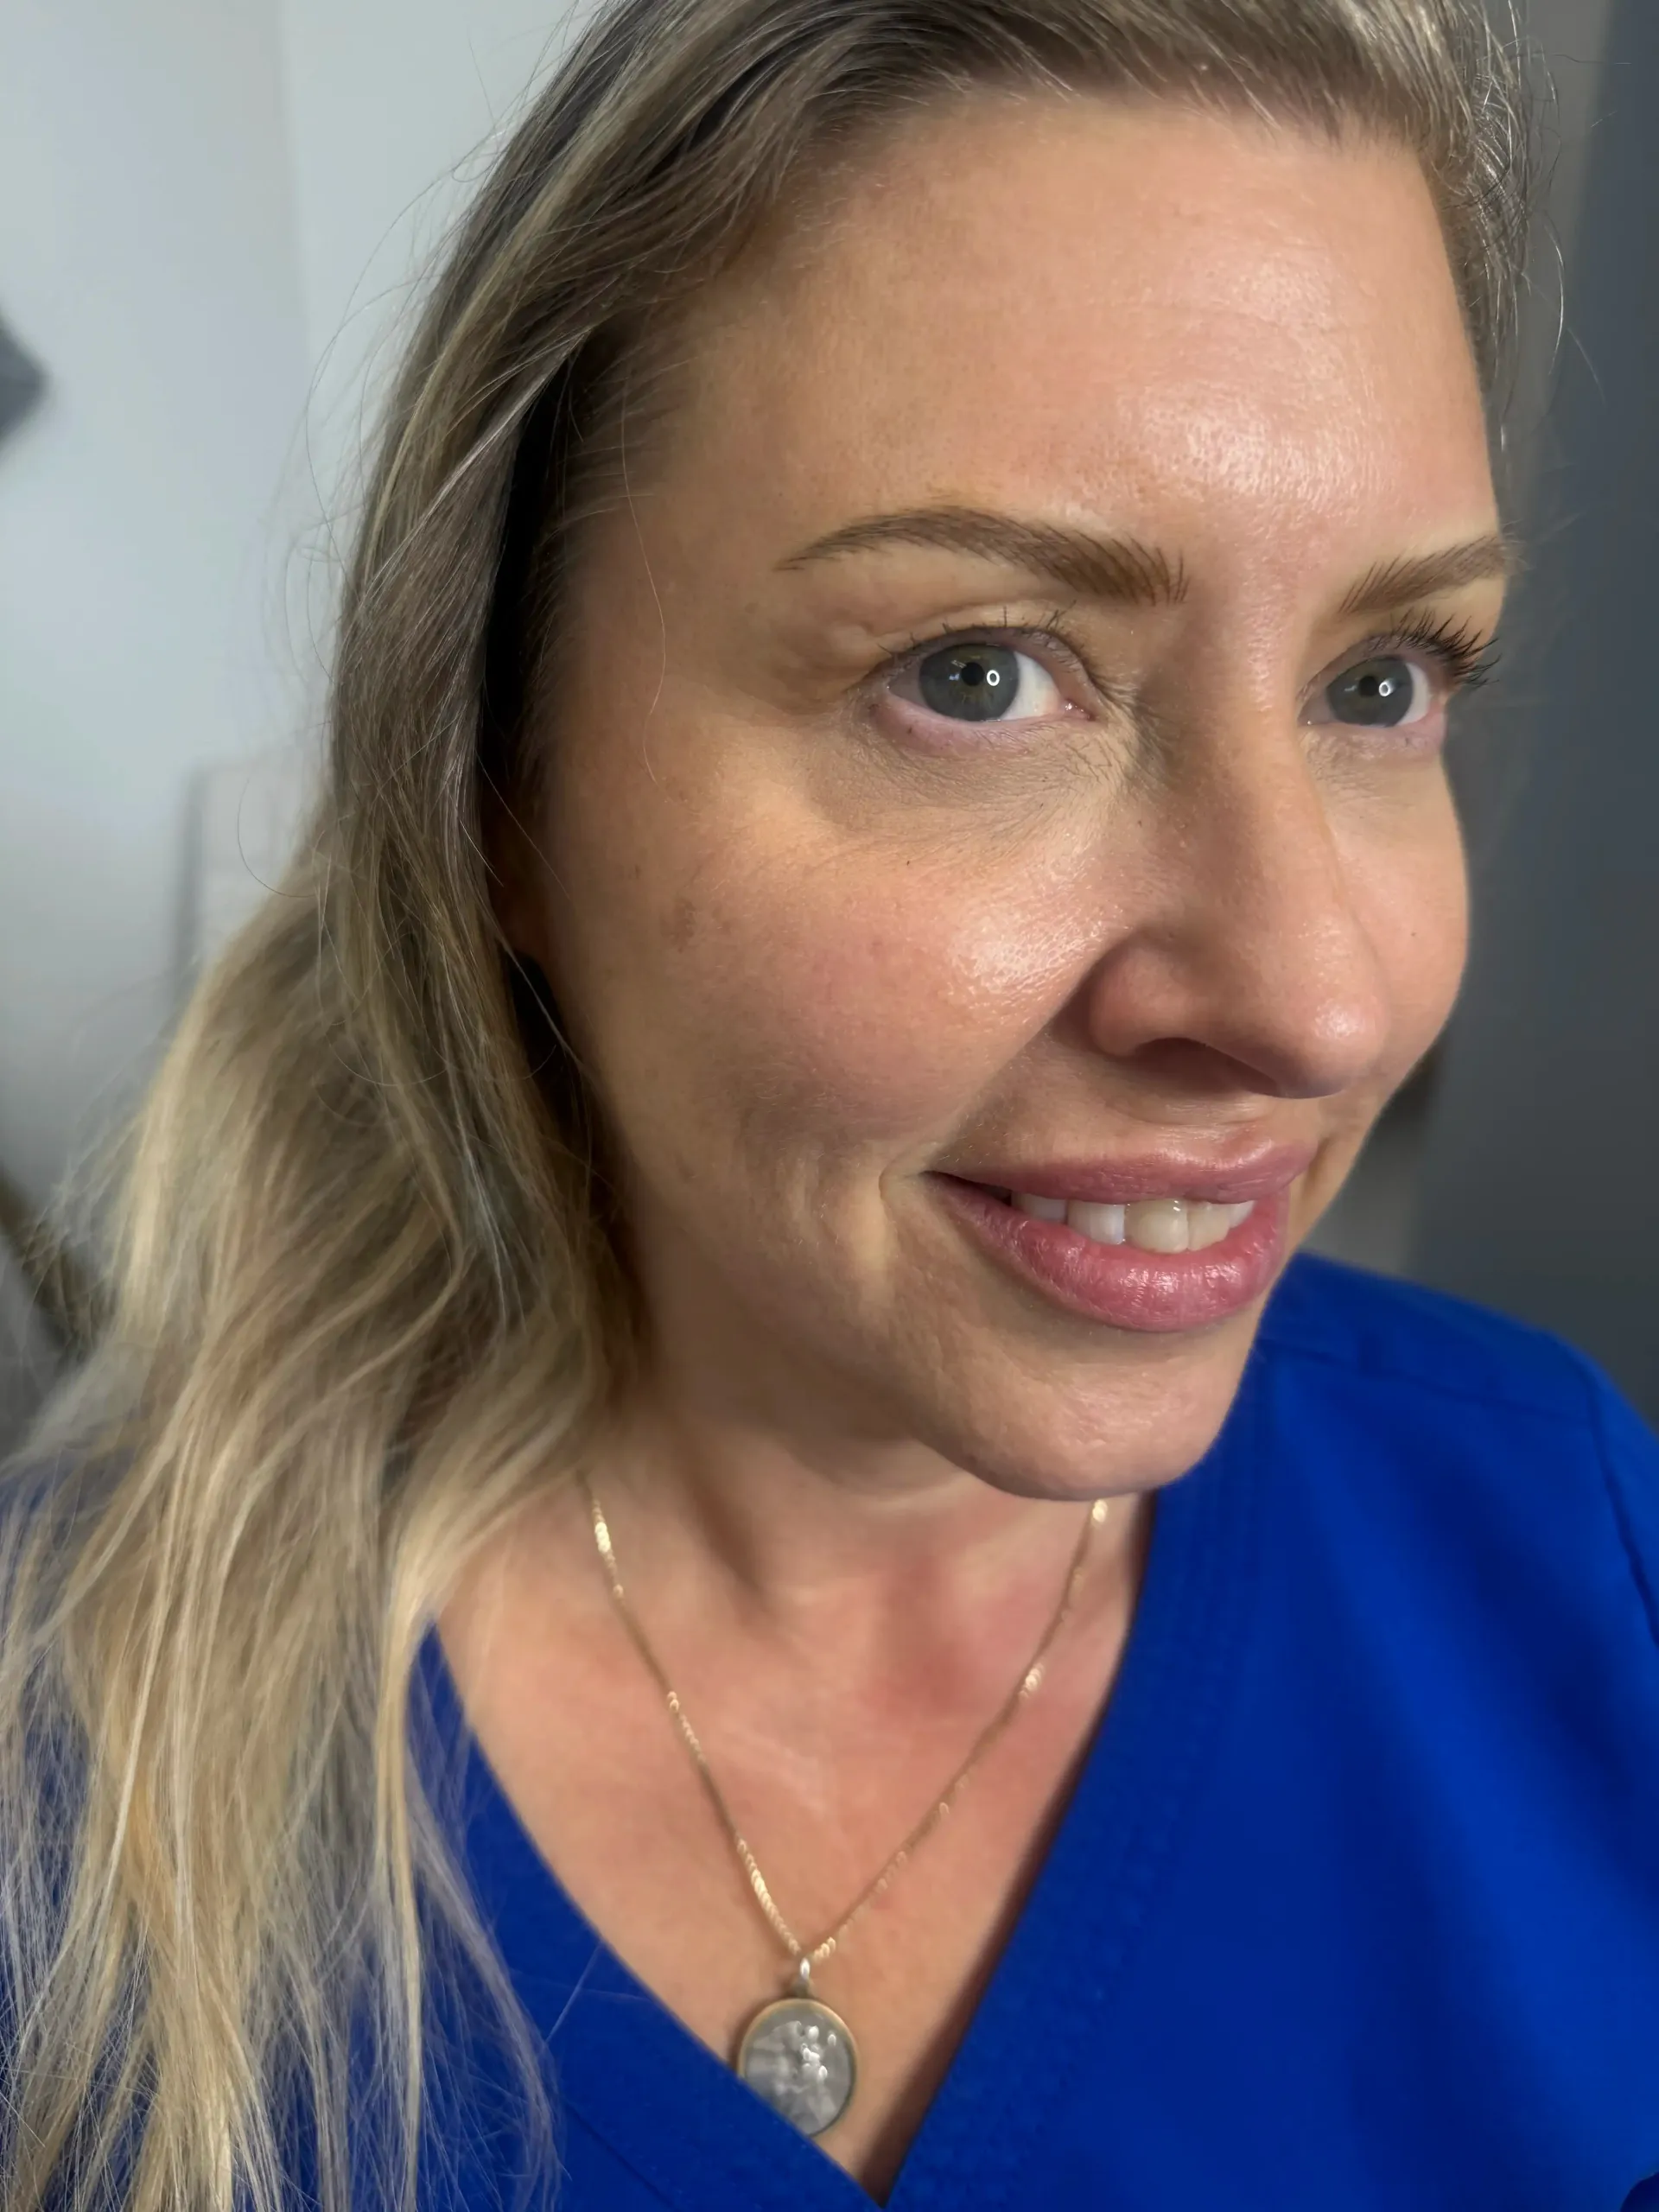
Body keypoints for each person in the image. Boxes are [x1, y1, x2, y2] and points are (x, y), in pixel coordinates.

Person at [4, 0, 1658, 2205]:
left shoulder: (1574, 1548)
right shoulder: (65, 1792)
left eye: (1382, 682)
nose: (1322, 1000)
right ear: (496, 777)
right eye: (975, 671)